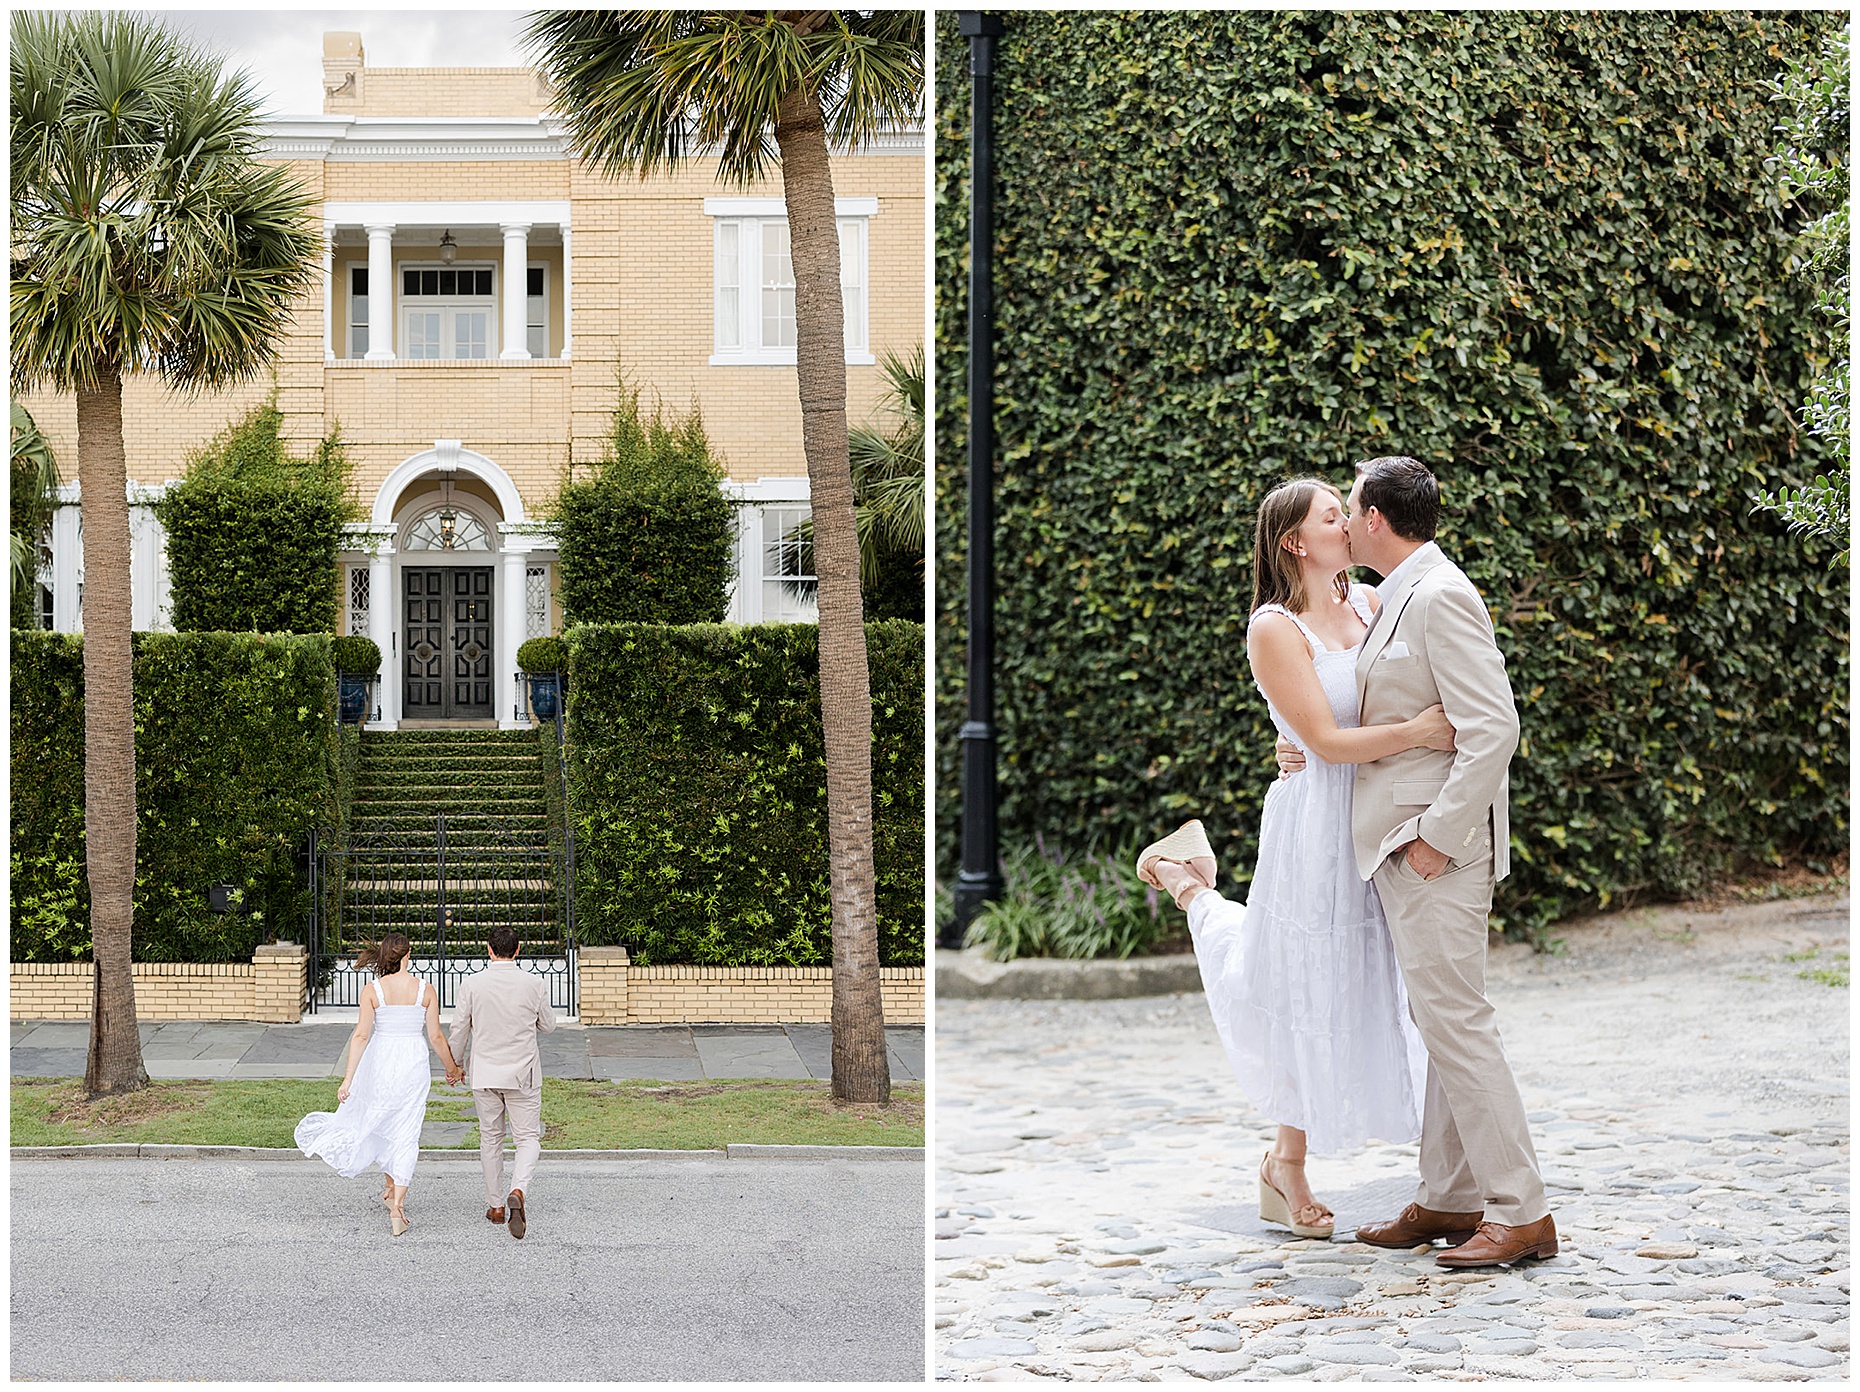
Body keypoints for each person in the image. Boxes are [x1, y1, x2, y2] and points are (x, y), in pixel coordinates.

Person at [1137, 475, 1453, 1239]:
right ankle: (1183, 881)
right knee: (1293, 976)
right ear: (1294, 541)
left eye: (1346, 512)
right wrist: (1419, 732)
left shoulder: (1373, 603)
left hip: (1374, 813)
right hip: (1316, 821)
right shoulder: (1274, 628)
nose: (1349, 522)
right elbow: (1324, 740)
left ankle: (1422, 1172)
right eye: (1332, 515)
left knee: (1367, 975)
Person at [296, 931, 461, 1236]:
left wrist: (348, 1080)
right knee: (406, 1128)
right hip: (412, 1061)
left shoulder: (372, 990)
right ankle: (396, 1200)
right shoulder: (425, 989)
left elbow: (360, 1036)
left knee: (384, 1120)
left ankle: (390, 1187)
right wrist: (452, 1068)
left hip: (381, 1060)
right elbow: (436, 1036)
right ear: (408, 955)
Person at [448, 925, 556, 1240]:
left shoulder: (472, 984)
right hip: (523, 1074)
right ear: (518, 950)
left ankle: (495, 1206)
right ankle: (518, 1190)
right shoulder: (534, 983)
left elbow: (459, 1029)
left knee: (491, 1138)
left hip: (485, 1072)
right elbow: (548, 1025)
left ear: (489, 950)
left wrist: (455, 1064)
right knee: (527, 1138)